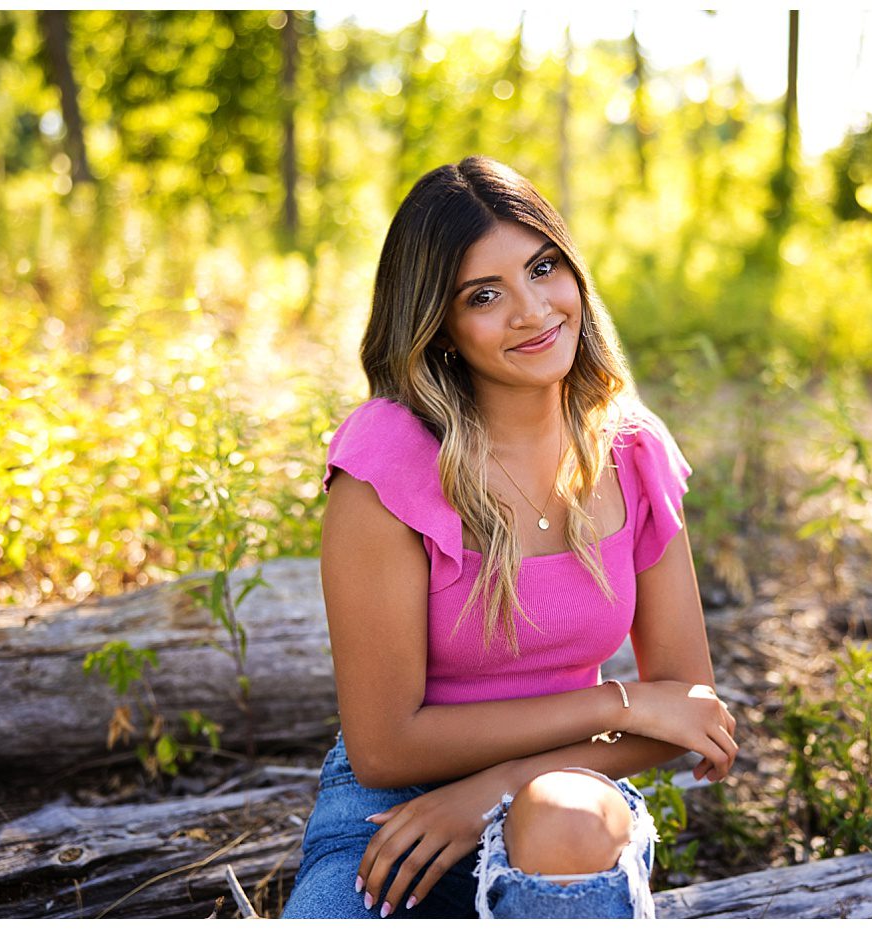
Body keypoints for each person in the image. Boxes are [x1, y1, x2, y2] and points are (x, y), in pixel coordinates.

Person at [282, 156, 739, 918]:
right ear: (442, 327)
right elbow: (385, 744)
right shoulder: (387, 461)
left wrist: (490, 794)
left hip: (573, 800)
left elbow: (687, 709)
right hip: (391, 816)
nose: (533, 310)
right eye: (485, 295)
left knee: (559, 812)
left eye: (544, 267)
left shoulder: (631, 451)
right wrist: (615, 701)